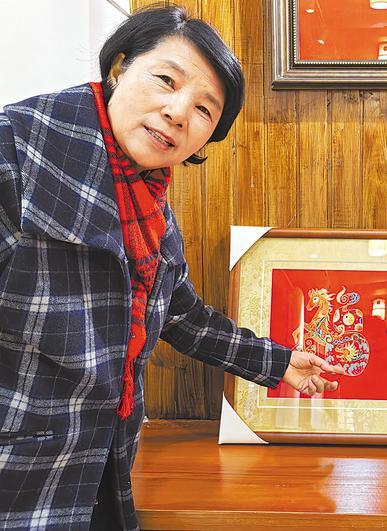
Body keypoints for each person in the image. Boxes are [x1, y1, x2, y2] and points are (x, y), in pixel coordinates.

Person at [0, 6, 343, 530]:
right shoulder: (17, 149)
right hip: (17, 478)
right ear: (119, 68)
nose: (179, 112)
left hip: (99, 471)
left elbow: (182, 315)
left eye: (205, 109)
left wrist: (278, 363)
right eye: (166, 80)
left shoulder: (150, 202)